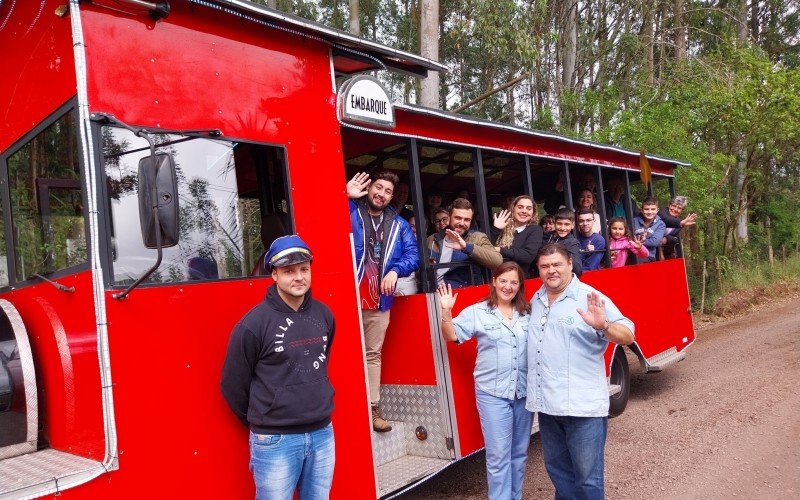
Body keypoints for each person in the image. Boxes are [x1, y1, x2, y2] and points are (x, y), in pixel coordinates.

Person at [221, 235, 336, 500]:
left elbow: (320, 363)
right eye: (288, 271)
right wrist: (265, 417)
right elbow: (232, 385)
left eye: (304, 269)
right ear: (273, 275)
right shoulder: (253, 325)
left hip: (322, 433)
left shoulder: (324, 315)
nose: (299, 277)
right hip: (275, 440)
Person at [527, 243, 635, 499]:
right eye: (544, 266)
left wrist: (604, 325)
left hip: (582, 408)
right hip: (548, 407)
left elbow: (628, 334)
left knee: (587, 480)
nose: (551, 271)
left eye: (556, 265)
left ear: (569, 265)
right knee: (559, 473)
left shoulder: (590, 297)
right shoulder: (537, 298)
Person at [438, 261, 532, 500]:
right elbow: (452, 335)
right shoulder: (477, 312)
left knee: (519, 453)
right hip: (493, 394)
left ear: (520, 285)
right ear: (493, 281)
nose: (508, 286)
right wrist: (446, 311)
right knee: (499, 456)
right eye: (503, 281)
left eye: (513, 282)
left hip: (523, 393)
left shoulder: (528, 312)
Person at [347, 171, 419, 432]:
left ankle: (372, 409)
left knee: (372, 354)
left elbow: (413, 254)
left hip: (379, 303)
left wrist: (395, 270)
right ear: (369, 188)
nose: (381, 194)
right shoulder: (351, 211)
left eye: (388, 191)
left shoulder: (398, 224)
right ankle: (346, 410)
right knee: (343, 355)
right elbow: (324, 226)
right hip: (348, 299)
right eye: (378, 187)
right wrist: (344, 197)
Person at [427, 198, 502, 288]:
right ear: (449, 217)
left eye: (467, 220)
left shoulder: (477, 237)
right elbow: (421, 272)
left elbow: (497, 261)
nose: (462, 223)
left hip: (465, 293)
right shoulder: (432, 239)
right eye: (458, 218)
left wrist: (466, 247)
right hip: (435, 294)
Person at [490, 195, 543, 276]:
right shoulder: (501, 226)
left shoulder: (535, 230)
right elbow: (486, 249)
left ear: (533, 213)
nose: (524, 211)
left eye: (529, 208)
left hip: (519, 279)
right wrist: (496, 229)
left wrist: (500, 250)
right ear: (513, 208)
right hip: (495, 276)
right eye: (520, 207)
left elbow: (527, 256)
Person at [543, 208, 582, 277]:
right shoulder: (546, 236)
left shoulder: (572, 243)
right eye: (559, 224)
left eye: (566, 224)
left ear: (572, 225)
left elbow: (577, 269)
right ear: (554, 223)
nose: (562, 228)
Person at [632, 197, 666, 263]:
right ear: (641, 210)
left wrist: (638, 243)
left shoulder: (660, 224)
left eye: (653, 209)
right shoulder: (634, 221)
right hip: (633, 253)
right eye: (646, 209)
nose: (650, 212)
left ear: (657, 210)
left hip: (648, 256)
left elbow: (654, 242)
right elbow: (629, 237)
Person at [395, 215, 419, 296]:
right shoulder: (395, 244)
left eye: (417, 227)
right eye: (411, 226)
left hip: (408, 291)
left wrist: (402, 293)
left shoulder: (425, 248)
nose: (413, 230)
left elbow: (414, 281)